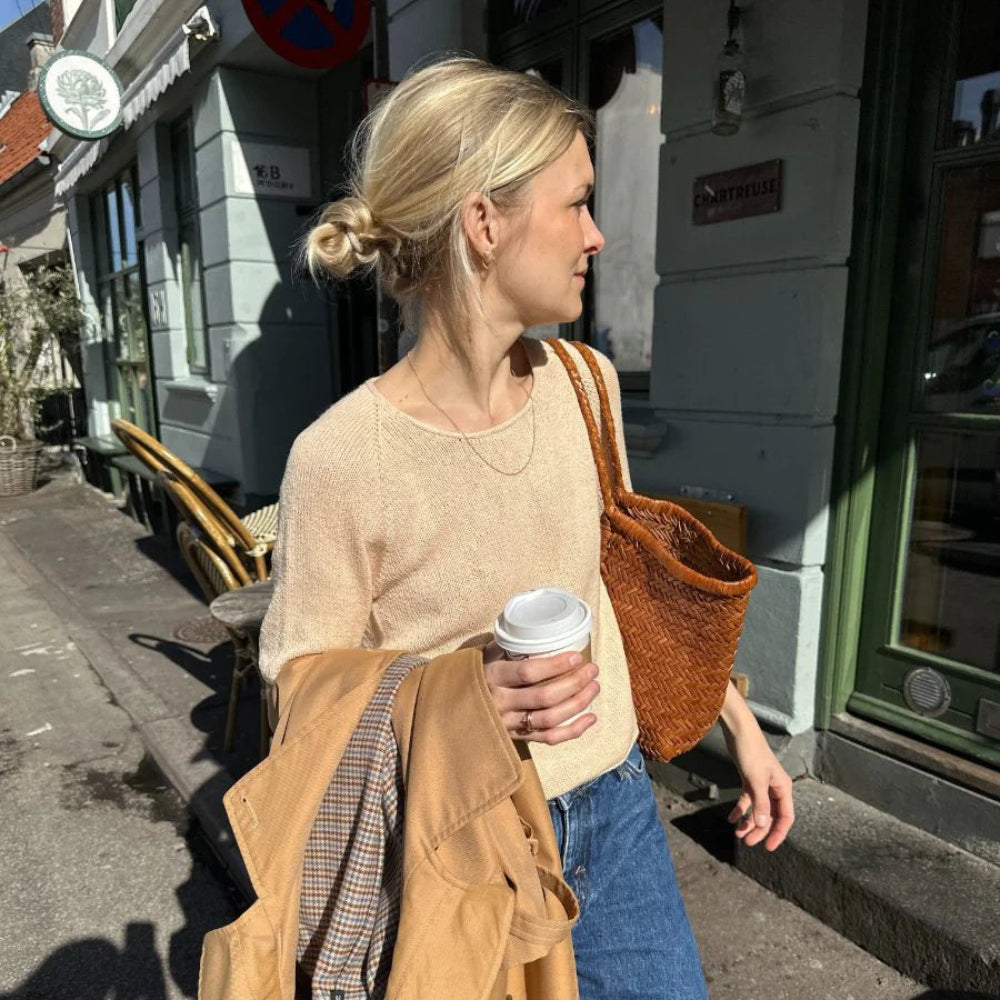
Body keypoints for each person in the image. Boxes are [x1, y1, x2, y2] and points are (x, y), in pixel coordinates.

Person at [259, 56, 795, 1000]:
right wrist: (469, 698)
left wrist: (739, 727)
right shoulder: (341, 458)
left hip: (618, 810)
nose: (597, 235)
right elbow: (296, 701)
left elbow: (621, 587)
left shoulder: (583, 386)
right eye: (577, 203)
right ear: (484, 222)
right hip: (467, 843)